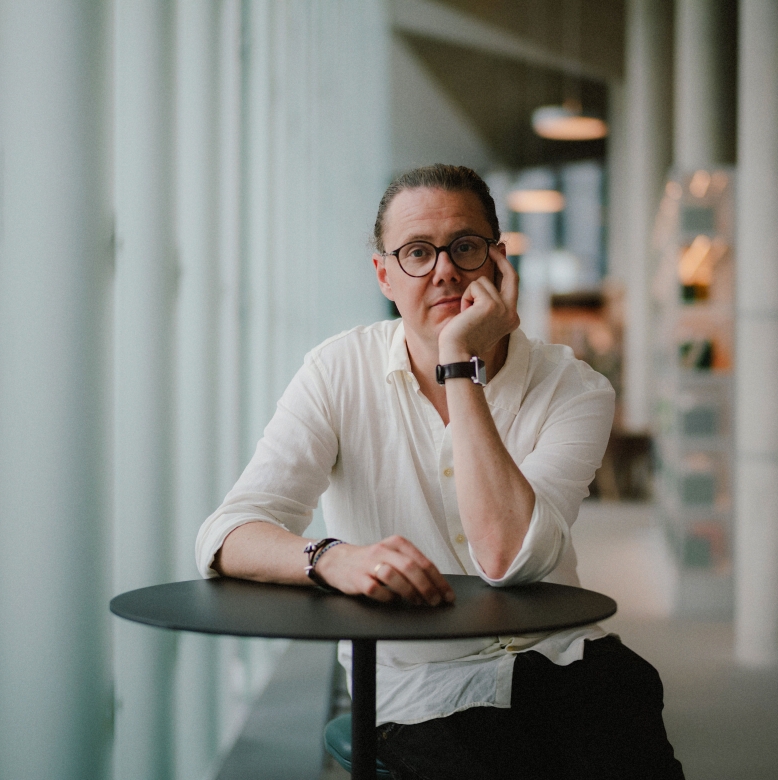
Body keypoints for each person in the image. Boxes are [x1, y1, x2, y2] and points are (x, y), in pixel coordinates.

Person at [195, 164, 684, 779]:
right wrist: (330, 557)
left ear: (500, 263)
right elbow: (227, 533)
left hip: (563, 660)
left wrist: (458, 362)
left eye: (465, 247)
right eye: (418, 253)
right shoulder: (335, 371)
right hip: (424, 690)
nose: (445, 269)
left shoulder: (575, 389)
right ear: (384, 276)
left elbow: (506, 558)